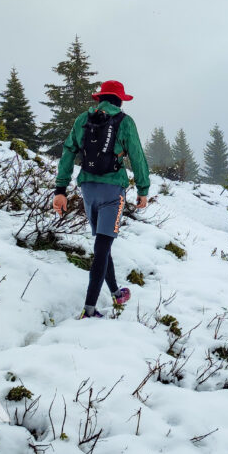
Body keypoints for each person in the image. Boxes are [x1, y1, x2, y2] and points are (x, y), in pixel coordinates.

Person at [52, 80, 150, 319]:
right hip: (112, 189)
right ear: (120, 100)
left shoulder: (82, 120)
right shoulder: (125, 122)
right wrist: (143, 189)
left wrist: (60, 190)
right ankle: (89, 309)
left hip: (88, 186)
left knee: (102, 244)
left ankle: (116, 292)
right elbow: (136, 154)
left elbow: (68, 151)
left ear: (100, 98)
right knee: (103, 246)